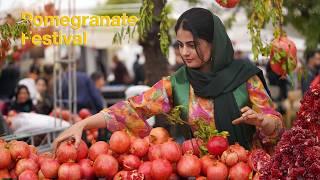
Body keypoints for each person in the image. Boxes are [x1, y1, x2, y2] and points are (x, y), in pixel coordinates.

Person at [53, 8, 283, 152]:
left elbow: (276, 126)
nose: (185, 52)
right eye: (180, 45)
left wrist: (262, 121)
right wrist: (81, 124)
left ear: (214, 42)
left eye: (192, 45)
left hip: (248, 169)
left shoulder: (245, 77)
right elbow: (132, 109)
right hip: (202, 171)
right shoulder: (178, 83)